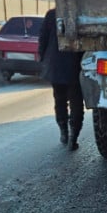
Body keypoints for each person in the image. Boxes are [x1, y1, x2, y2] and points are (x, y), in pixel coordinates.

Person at [38, 8, 85, 151]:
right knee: (76, 102)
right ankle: (73, 137)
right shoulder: (80, 13)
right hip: (74, 65)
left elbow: (43, 39)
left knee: (59, 100)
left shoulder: (52, 14)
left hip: (56, 65)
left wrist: (43, 60)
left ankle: (63, 132)